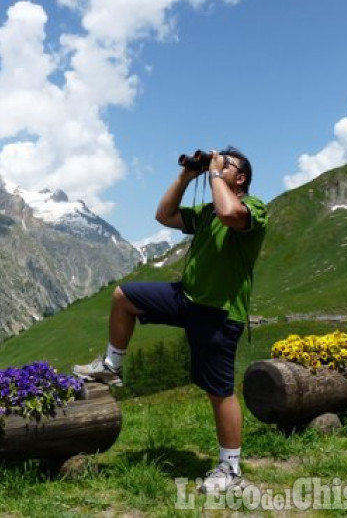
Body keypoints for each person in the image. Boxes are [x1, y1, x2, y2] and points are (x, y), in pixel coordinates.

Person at [73, 147, 267, 493]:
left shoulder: (252, 209)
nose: (219, 165)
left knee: (218, 392)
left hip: (219, 312)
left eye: (228, 164)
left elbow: (229, 212)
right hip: (186, 298)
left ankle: (231, 469)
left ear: (241, 178)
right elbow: (164, 215)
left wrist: (215, 176)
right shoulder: (206, 212)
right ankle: (111, 365)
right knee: (124, 297)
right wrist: (186, 177)